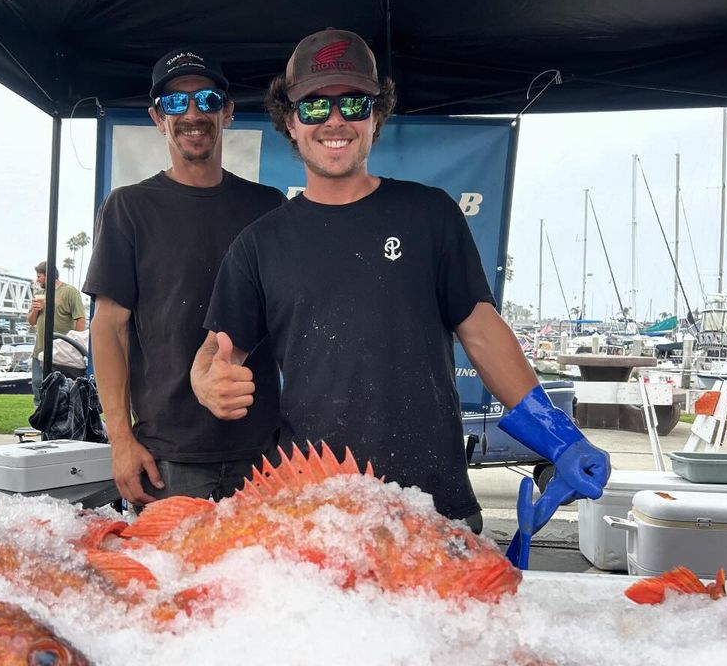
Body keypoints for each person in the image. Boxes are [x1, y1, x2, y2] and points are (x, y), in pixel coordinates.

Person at [192, 29, 610, 531]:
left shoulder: (430, 213)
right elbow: (217, 353)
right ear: (290, 120)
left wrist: (558, 436)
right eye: (314, 108)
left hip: (434, 504)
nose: (336, 121)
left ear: (377, 115)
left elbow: (482, 330)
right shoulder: (259, 243)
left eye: (354, 103)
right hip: (316, 514)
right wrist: (205, 381)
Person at [83, 48, 286, 507]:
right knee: (170, 580)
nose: (192, 113)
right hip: (168, 458)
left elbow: (292, 321)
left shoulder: (268, 206)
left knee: (266, 580)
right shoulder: (128, 207)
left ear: (227, 111)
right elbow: (108, 328)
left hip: (264, 456)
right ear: (158, 117)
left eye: (208, 99)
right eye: (175, 103)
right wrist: (120, 442)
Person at [28, 261, 85, 404]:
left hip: (60, 353)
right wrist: (35, 309)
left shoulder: (69, 292)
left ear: (49, 275)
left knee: (63, 391)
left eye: (39, 276)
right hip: (39, 350)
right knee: (38, 386)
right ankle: (41, 420)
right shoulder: (39, 293)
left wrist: (75, 347)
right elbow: (31, 321)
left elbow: (80, 319)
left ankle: (62, 421)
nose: (37, 279)